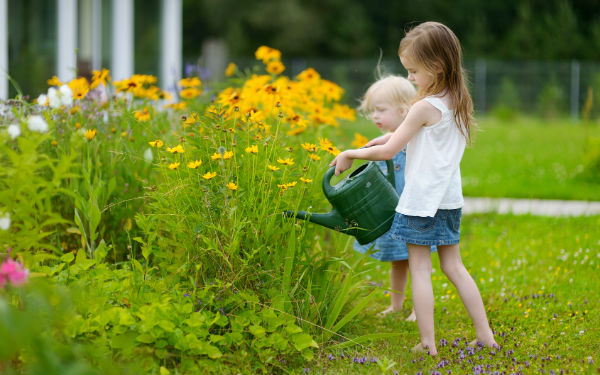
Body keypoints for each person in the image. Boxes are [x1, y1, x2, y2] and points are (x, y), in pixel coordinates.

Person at [330, 21, 497, 356]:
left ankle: (428, 344)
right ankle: (486, 336)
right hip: (449, 200)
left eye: (413, 71)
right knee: (454, 267)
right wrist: (388, 137)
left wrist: (350, 153)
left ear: (435, 67)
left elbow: (389, 152)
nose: (410, 78)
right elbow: (419, 139)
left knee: (420, 269)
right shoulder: (456, 101)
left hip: (421, 202)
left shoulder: (423, 106)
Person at [353, 75, 435, 321]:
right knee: (397, 261)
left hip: (413, 210)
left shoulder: (412, 139)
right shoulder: (386, 140)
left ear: (404, 110)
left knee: (417, 260)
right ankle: (396, 304)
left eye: (380, 110)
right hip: (392, 213)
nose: (375, 116)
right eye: (372, 112)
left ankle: (417, 308)